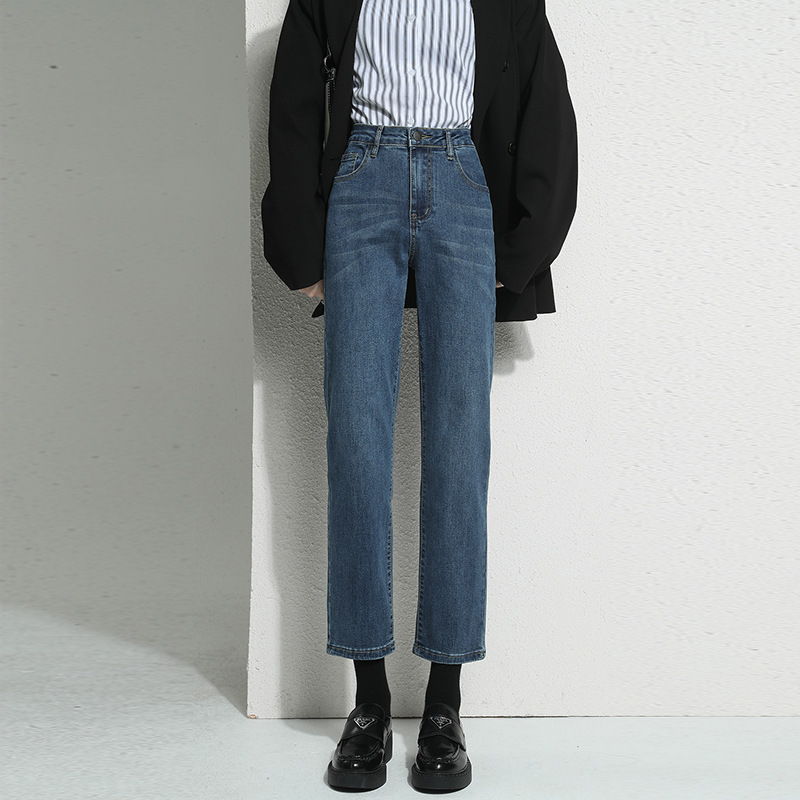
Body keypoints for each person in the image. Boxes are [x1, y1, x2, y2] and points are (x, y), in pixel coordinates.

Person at [261, 0, 578, 792]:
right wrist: (298, 249)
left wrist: (523, 250)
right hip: (360, 183)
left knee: (459, 451)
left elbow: (545, 112)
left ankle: (444, 703)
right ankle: (368, 701)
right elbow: (294, 110)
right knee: (357, 443)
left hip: (463, 186)